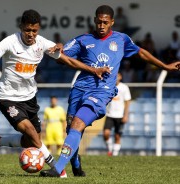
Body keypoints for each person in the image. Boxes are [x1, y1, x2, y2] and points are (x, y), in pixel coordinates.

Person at [40, 5, 180, 177]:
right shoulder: (83, 40)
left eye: (105, 22)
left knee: (77, 123)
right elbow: (62, 57)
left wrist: (164, 66)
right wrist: (59, 47)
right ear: (94, 20)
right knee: (72, 130)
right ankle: (76, 165)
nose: (101, 25)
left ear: (112, 22)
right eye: (99, 22)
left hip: (101, 92)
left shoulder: (122, 39)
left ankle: (57, 169)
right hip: (79, 89)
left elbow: (141, 53)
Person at [0, 9, 110, 178]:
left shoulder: (42, 43)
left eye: (34, 31)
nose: (30, 34)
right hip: (7, 97)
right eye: (27, 30)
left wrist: (93, 69)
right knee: (29, 131)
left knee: (32, 140)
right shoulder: (10, 42)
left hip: (29, 98)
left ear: (38, 29)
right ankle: (58, 169)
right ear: (21, 27)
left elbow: (67, 60)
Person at [103, 72, 131, 156]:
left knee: (117, 136)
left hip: (120, 115)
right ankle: (110, 147)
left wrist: (126, 115)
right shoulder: (109, 86)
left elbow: (127, 101)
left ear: (120, 77)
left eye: (117, 76)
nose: (116, 78)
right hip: (110, 114)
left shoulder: (124, 87)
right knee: (106, 133)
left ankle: (114, 154)